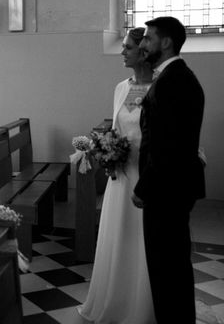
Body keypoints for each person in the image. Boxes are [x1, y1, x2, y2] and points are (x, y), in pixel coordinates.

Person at [78, 27, 155, 323]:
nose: (122, 52)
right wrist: (106, 148)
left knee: (144, 239)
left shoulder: (160, 87)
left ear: (143, 52)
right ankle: (117, 297)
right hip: (121, 176)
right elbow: (116, 130)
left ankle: (143, 306)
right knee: (119, 235)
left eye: (127, 47)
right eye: (122, 46)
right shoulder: (121, 87)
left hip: (146, 174)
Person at [133, 16, 205, 323]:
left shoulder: (172, 82)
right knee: (171, 268)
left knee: (166, 270)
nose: (143, 44)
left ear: (166, 42)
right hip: (173, 188)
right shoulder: (175, 77)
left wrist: (143, 188)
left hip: (165, 191)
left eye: (148, 39)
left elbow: (165, 146)